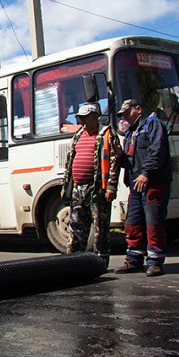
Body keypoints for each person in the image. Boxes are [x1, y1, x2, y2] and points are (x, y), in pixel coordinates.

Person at [112, 99, 172, 277]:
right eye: (122, 115)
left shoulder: (153, 124)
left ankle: (155, 262)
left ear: (138, 109)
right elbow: (129, 162)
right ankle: (134, 259)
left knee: (154, 222)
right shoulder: (130, 133)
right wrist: (120, 155)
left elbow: (157, 151)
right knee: (133, 222)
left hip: (153, 182)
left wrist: (146, 173)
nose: (125, 118)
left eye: (127, 113)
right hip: (135, 185)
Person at [61, 103, 121, 268]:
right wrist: (65, 186)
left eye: (85, 118)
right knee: (76, 226)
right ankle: (74, 262)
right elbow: (70, 160)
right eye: (80, 118)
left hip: (97, 189)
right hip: (77, 188)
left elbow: (115, 161)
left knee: (100, 229)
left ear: (95, 117)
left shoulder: (107, 134)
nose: (82, 121)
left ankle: (100, 262)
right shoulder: (79, 134)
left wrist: (111, 186)